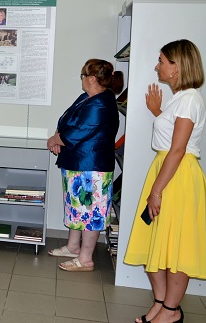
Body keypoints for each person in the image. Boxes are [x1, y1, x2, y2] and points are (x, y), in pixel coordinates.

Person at [124, 40, 206, 323]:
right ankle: (161, 304)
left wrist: (156, 191)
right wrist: (157, 113)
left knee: (176, 246)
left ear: (177, 67)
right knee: (155, 240)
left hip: (177, 176)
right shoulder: (182, 98)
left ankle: (171, 311)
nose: (157, 66)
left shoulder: (189, 99)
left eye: (161, 61)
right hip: (169, 171)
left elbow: (178, 149)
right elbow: (174, 138)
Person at [46, 59, 122, 272]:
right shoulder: (87, 98)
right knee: (76, 207)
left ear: (92, 78)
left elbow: (80, 130)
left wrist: (55, 140)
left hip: (92, 167)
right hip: (78, 163)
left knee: (90, 212)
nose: (81, 79)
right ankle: (73, 246)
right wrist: (57, 135)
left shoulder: (101, 103)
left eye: (83, 75)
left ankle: (86, 259)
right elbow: (66, 121)